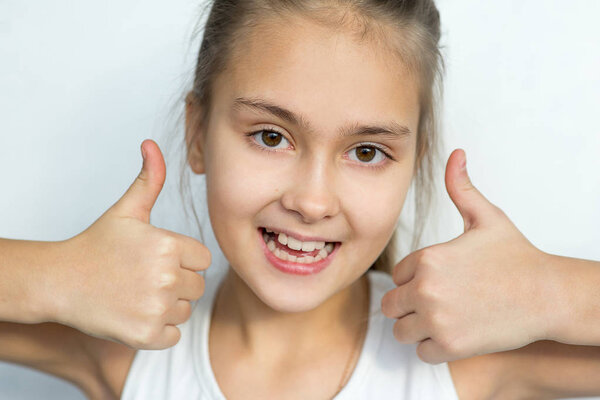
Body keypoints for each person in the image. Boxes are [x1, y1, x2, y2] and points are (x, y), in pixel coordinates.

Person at [1, 0, 599, 399]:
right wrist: (51, 277)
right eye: (270, 136)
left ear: (414, 163)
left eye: (366, 152)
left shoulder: (465, 361)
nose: (312, 202)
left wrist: (550, 292)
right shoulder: (125, 351)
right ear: (196, 134)